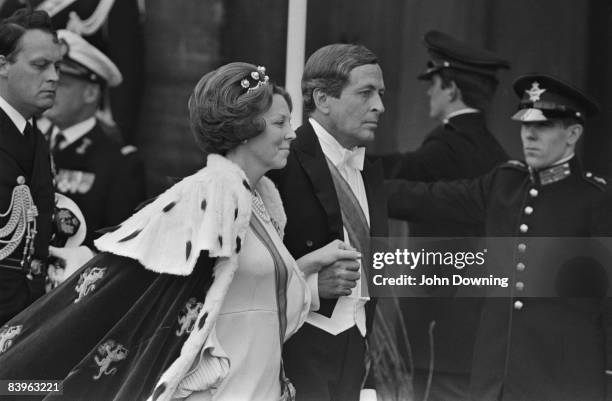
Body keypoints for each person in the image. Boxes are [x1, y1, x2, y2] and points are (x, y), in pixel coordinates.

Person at [0, 62, 360, 401]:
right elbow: (147, 295)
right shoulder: (207, 195)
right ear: (246, 128)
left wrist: (308, 274)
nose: (291, 134)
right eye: (280, 122)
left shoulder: (258, 202)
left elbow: (253, 306)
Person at [385, 74, 612, 401]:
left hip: (564, 381)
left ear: (573, 133)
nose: (529, 135)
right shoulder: (505, 183)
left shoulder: (596, 201)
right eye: (524, 125)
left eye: (543, 127)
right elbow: (429, 198)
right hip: (496, 381)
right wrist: (352, 184)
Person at [377, 30, 509, 400]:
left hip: (439, 332)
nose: (428, 92)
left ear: (451, 89)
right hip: (466, 332)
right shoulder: (487, 146)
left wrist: (342, 164)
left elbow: (402, 172)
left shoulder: (450, 146)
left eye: (434, 83)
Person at [269, 43, 388, 401]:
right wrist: (311, 282)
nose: (379, 106)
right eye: (365, 93)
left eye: (380, 94)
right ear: (322, 99)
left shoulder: (370, 167)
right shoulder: (281, 162)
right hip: (294, 349)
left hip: (355, 346)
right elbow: (248, 265)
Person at [42, 29, 146, 246]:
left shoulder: (119, 162)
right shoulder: (30, 142)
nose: (49, 86)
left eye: (61, 84)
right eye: (47, 77)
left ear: (90, 93)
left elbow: (116, 249)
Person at [0, 9, 62, 324]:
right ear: (2, 65)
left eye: (56, 66)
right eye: (40, 65)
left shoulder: (36, 138)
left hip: (26, 318)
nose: (54, 76)